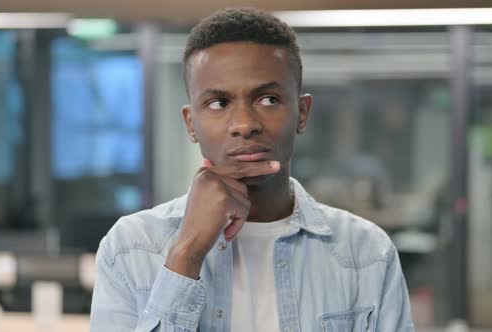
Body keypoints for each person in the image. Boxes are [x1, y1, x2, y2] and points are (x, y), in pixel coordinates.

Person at [91, 7, 414, 332]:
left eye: (268, 99)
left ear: (302, 113)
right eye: (219, 103)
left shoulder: (367, 254)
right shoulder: (128, 249)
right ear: (191, 124)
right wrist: (186, 253)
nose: (244, 125)